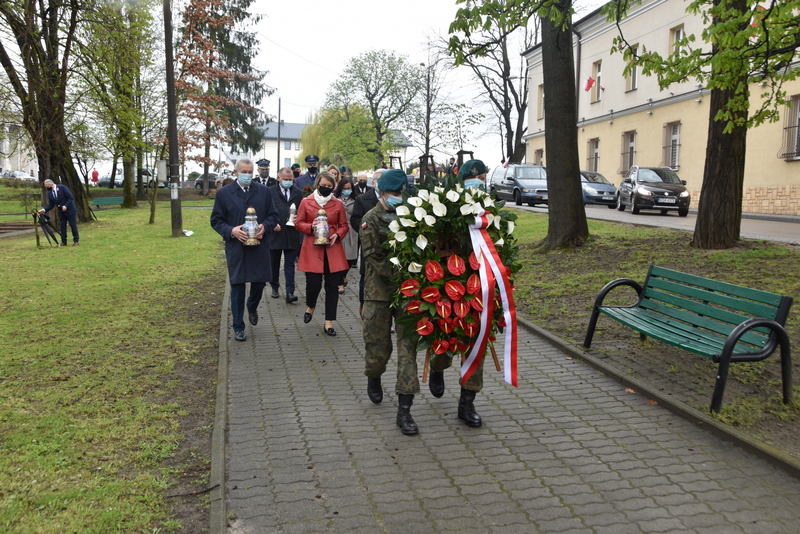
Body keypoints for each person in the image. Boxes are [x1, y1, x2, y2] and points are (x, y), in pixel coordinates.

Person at [360, 169, 423, 435]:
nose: (399, 197)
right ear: (382, 192)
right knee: (378, 349)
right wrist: (406, 272)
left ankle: (404, 411)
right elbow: (374, 257)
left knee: (408, 349)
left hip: (409, 294)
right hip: (380, 293)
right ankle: (374, 376)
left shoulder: (414, 215)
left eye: (402, 193)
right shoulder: (370, 220)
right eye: (394, 193)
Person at [210, 157, 280, 342]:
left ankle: (252, 305)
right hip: (236, 247)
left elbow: (273, 215)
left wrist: (265, 227)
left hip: (259, 246)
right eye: (244, 172)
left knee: (259, 283)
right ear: (235, 173)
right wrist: (230, 231)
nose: (247, 175)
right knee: (237, 287)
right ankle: (238, 327)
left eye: (250, 172)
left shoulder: (263, 192)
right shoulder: (224, 193)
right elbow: (216, 220)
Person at [295, 171, 349, 337]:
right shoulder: (306, 201)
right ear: (317, 184)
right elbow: (298, 223)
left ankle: (329, 322)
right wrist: (311, 227)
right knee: (313, 285)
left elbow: (344, 225)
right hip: (312, 247)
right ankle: (311, 306)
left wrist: (337, 234)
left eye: (329, 186)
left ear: (333, 187)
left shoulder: (338, 203)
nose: (326, 188)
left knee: (332, 287)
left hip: (333, 249)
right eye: (323, 185)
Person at [266, 167, 303, 303]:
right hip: (275, 233)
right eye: (285, 179)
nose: (288, 182)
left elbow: (301, 209)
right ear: (278, 178)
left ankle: (290, 291)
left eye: (290, 179)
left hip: (292, 233)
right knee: (274, 263)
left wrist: (298, 218)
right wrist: (271, 224)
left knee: (289, 264)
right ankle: (274, 286)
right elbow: (265, 210)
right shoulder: (270, 192)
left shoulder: (297, 193)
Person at [350, 168, 383, 308]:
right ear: (374, 183)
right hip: (369, 244)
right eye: (381, 180)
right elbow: (355, 220)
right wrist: (367, 232)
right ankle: (364, 305)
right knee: (366, 275)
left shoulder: (396, 198)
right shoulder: (362, 199)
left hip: (388, 245)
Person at [334, 176, 359, 294]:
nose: (346, 190)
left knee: (351, 258)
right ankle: (339, 283)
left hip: (351, 230)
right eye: (344, 188)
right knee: (338, 257)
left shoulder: (356, 199)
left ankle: (344, 275)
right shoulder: (334, 198)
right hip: (337, 229)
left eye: (348, 188)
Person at [38, 179, 79, 246]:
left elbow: (70, 197)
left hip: (70, 210)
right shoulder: (50, 193)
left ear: (50, 184)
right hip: (61, 212)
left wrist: (65, 206)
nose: (46, 188)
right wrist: (43, 210)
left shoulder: (62, 188)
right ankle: (64, 241)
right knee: (62, 226)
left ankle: (76, 240)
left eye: (47, 186)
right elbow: (51, 205)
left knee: (73, 225)